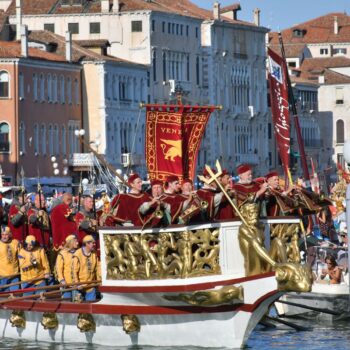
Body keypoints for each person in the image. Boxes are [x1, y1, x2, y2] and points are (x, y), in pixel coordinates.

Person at [72, 235, 100, 301]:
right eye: (93, 243)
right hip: (79, 286)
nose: (94, 244)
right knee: (79, 308)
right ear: (87, 244)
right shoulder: (77, 254)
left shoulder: (94, 254)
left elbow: (97, 268)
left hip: (90, 285)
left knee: (91, 306)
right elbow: (74, 271)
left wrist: (99, 280)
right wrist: (77, 284)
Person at [55, 234, 79, 300]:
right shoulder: (62, 253)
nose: (77, 243)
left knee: (77, 303)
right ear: (71, 242)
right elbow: (59, 269)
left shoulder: (78, 252)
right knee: (66, 304)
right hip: (66, 284)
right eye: (75, 241)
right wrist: (62, 280)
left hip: (76, 284)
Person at [0, 226, 20, 291]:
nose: (4, 236)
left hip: (14, 275)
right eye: (2, 234)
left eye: (6, 234)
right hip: (3, 276)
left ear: (10, 235)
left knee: (15, 295)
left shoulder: (15, 243)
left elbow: (21, 257)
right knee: (4, 297)